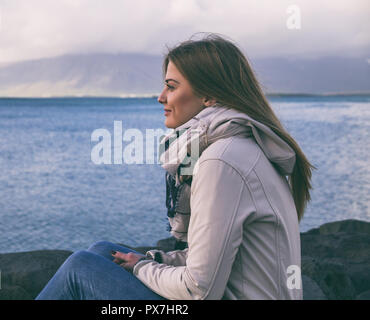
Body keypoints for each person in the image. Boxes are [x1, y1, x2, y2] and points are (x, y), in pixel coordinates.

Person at [35, 33, 314, 300]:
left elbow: (198, 290)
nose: (161, 97)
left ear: (210, 96)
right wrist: (154, 261)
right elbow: (213, 264)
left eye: (171, 86)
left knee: (79, 268)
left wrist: (141, 267)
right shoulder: (244, 145)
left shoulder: (222, 161)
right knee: (101, 252)